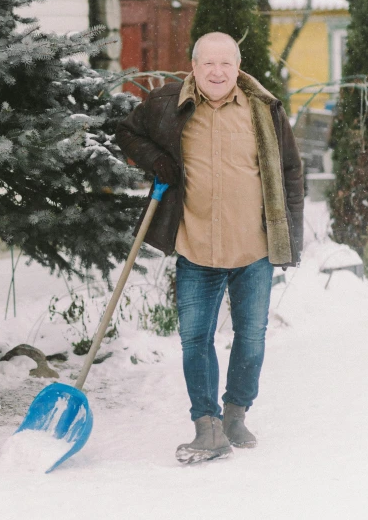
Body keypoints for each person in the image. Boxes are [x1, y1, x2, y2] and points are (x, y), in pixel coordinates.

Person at [115, 32, 304, 465]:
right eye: (208, 64)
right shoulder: (168, 103)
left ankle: (236, 413)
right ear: (194, 67)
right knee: (194, 339)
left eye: (226, 64)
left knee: (251, 337)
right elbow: (127, 132)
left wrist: (290, 237)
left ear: (238, 68)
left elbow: (291, 172)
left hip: (252, 247)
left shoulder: (264, 110)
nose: (217, 72)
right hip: (195, 244)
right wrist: (156, 160)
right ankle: (208, 425)